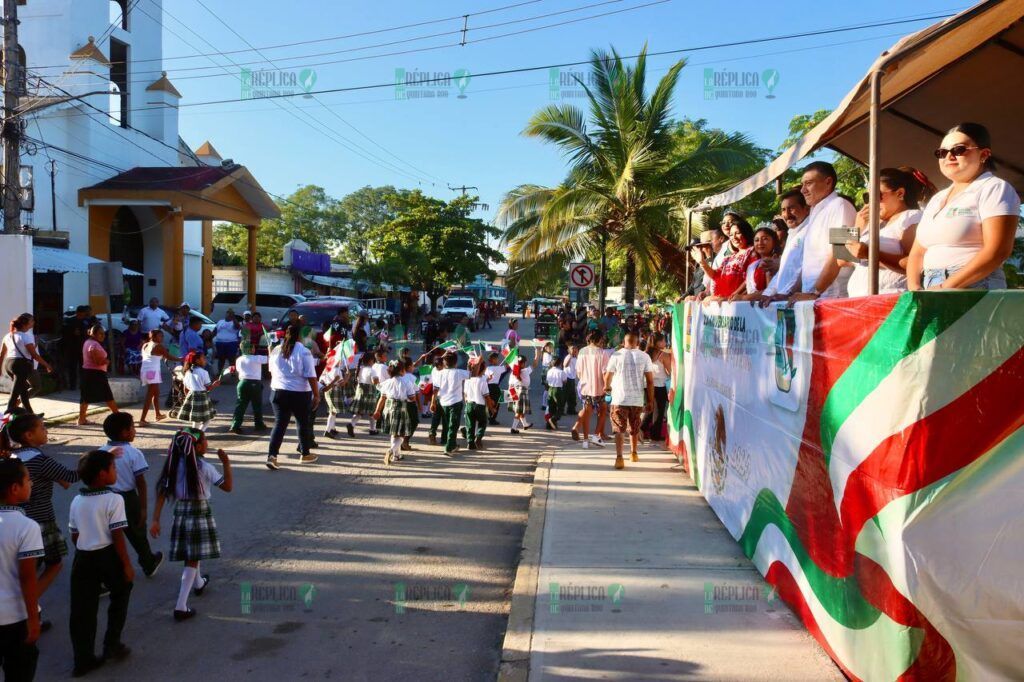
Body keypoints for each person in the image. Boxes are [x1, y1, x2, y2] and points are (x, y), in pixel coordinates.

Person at [907, 122, 1020, 290]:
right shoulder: (937, 198)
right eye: (942, 152)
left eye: (959, 150)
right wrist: (914, 287)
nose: (949, 156)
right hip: (931, 285)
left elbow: (997, 251)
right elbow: (917, 252)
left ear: (984, 154)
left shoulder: (994, 187)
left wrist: (946, 286)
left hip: (976, 285)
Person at [150, 429, 232, 621]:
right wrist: (226, 463)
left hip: (181, 512)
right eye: (204, 440)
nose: (207, 443)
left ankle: (199, 583)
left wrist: (155, 519)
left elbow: (162, 493)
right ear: (196, 447)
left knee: (192, 551)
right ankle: (181, 605)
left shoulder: (173, 466)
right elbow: (228, 487)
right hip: (199, 513)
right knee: (193, 557)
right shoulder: (205, 467)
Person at [2, 413, 73, 628]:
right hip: (41, 519)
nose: (46, 431)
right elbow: (69, 477)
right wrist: (95, 462)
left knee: (24, 569)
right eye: (42, 428)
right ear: (29, 435)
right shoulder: (39, 459)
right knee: (52, 564)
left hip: (17, 517)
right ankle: (27, 607)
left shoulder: (12, 458)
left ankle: (29, 608)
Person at [67, 449, 134, 675]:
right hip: (107, 555)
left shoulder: (77, 500)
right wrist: (126, 564)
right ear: (102, 475)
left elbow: (74, 535)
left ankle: (82, 659)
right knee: (121, 592)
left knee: (82, 609)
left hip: (83, 557)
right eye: (113, 468)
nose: (116, 471)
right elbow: (117, 535)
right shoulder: (114, 499)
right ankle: (111, 644)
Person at [845, 167, 930, 297]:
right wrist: (856, 228)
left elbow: (915, 264)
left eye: (877, 195)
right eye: (867, 196)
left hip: (890, 299)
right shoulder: (869, 222)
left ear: (900, 193)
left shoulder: (912, 217)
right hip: (860, 301)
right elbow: (840, 259)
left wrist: (870, 254)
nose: (871, 202)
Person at [99, 413, 163, 578]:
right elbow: (141, 483)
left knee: (107, 536)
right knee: (137, 533)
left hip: (105, 498)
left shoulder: (101, 452)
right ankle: (148, 563)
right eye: (133, 427)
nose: (135, 430)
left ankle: (108, 573)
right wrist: (143, 508)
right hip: (128, 499)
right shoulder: (133, 453)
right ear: (124, 433)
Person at [789, 161, 858, 302]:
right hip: (813, 298)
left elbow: (843, 254)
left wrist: (816, 292)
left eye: (808, 183)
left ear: (828, 182)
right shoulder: (815, 212)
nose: (803, 190)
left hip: (832, 297)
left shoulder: (841, 205)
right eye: (802, 184)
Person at [0, 458, 44, 681]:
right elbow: (28, 578)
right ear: (15, 488)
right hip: (14, 618)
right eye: (28, 480)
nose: (32, 484)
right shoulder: (26, 527)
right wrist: (33, 620)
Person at [266, 325, 320, 470]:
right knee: (302, 422)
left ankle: (272, 456)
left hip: (278, 391)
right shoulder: (304, 351)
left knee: (279, 424)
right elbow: (311, 375)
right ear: (300, 336)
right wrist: (316, 394)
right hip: (299, 393)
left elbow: (270, 370)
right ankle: (305, 454)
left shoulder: (276, 350)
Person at [603, 331, 655, 470]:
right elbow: (650, 381)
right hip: (637, 399)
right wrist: (650, 400)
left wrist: (607, 387)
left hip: (619, 398)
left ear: (624, 342)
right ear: (637, 343)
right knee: (634, 426)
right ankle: (633, 453)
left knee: (619, 429)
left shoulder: (617, 355)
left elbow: (608, 375)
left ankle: (619, 458)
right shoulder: (645, 356)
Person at [758, 189, 811, 306]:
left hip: (800, 300)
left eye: (791, 208)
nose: (787, 214)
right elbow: (783, 271)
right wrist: (767, 293)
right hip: (783, 300)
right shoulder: (792, 233)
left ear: (806, 209)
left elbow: (803, 269)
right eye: (783, 210)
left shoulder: (811, 230)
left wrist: (788, 293)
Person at [0, 314, 52, 414]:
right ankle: (7, 417)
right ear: (26, 324)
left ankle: (30, 415)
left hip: (9, 364)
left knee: (23, 393)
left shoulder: (8, 335)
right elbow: (34, 355)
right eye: (32, 321)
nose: (33, 322)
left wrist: (0, 368)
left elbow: (2, 354)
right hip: (21, 365)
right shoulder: (25, 337)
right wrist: (47, 365)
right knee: (15, 395)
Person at [694, 219, 759, 300]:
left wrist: (732, 296)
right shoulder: (730, 257)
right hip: (726, 302)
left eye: (738, 233)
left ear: (746, 232)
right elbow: (715, 275)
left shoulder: (752, 252)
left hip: (740, 302)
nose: (734, 237)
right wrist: (702, 262)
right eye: (731, 235)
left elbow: (750, 279)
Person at [371, 361, 415, 465]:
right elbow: (412, 397)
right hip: (401, 408)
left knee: (394, 433)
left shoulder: (387, 382)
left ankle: (396, 455)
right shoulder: (406, 382)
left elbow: (382, 398)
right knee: (402, 434)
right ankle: (391, 450)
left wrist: (377, 411)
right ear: (401, 370)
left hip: (388, 408)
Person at [573, 330, 610, 449]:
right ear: (599, 340)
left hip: (585, 387)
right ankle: (595, 436)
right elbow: (605, 372)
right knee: (603, 409)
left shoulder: (582, 351)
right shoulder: (602, 353)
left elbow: (578, 371)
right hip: (599, 387)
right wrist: (607, 385)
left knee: (586, 413)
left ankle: (585, 441)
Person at [78, 326, 118, 426]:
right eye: (100, 333)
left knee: (85, 397)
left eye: (104, 333)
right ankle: (118, 416)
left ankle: (81, 419)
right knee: (107, 395)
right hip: (96, 373)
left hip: (89, 372)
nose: (103, 335)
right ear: (93, 334)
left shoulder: (88, 342)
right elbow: (97, 361)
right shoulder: (94, 344)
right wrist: (106, 361)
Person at [172, 352, 221, 432]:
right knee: (208, 419)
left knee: (196, 420)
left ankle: (194, 434)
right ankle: (199, 434)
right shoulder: (204, 372)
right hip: (202, 397)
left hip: (191, 395)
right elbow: (208, 388)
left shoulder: (187, 372)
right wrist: (215, 385)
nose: (205, 360)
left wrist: (187, 397)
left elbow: (185, 388)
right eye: (203, 358)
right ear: (197, 361)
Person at [431, 353, 469, 456]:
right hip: (455, 403)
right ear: (456, 363)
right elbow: (472, 374)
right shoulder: (459, 372)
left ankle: (453, 444)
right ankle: (448, 448)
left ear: (444, 362)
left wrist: (433, 402)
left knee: (450, 425)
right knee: (453, 425)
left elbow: (435, 389)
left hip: (443, 403)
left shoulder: (439, 373)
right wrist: (476, 363)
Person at [227, 341, 268, 435]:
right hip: (254, 384)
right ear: (251, 349)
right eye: (253, 347)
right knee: (257, 405)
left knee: (240, 405)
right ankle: (259, 424)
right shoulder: (257, 358)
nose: (254, 349)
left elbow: (237, 370)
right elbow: (270, 359)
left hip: (242, 383)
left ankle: (235, 425)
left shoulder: (239, 359)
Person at [138, 330, 178, 426]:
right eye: (160, 336)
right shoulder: (158, 346)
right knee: (150, 395)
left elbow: (154, 356)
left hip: (145, 371)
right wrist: (182, 359)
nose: (162, 338)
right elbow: (169, 356)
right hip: (152, 372)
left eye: (162, 336)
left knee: (156, 393)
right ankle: (142, 420)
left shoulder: (145, 345)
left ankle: (158, 414)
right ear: (154, 337)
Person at [731, 228, 781, 301]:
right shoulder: (753, 266)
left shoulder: (775, 263)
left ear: (774, 242)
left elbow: (770, 292)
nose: (760, 243)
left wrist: (743, 298)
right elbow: (752, 290)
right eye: (756, 240)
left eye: (765, 239)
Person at [639, 333, 671, 444]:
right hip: (660, 386)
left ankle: (641, 430)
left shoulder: (644, 354)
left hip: (647, 385)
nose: (665, 343)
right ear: (657, 342)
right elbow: (670, 371)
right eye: (663, 341)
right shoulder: (663, 355)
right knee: (659, 411)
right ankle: (655, 435)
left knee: (649, 409)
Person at [462, 359, 491, 450]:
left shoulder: (467, 380)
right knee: (482, 422)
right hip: (480, 405)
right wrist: (491, 407)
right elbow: (486, 396)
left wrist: (466, 404)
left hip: (469, 404)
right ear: (481, 370)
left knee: (470, 424)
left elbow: (465, 394)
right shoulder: (482, 381)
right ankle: (478, 437)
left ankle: (470, 442)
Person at [508, 352, 538, 435]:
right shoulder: (524, 371)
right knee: (519, 411)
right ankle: (513, 428)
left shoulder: (514, 372)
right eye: (525, 362)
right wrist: (537, 354)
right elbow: (535, 365)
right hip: (522, 392)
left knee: (520, 410)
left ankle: (525, 424)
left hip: (514, 391)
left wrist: (512, 394)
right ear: (523, 363)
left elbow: (510, 384)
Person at [350, 353, 379, 437]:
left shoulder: (360, 368)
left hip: (360, 391)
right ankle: (372, 429)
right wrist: (378, 379)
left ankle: (351, 424)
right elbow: (374, 382)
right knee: (372, 412)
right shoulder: (372, 370)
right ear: (371, 361)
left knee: (360, 412)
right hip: (369, 393)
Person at [213, 310, 241, 377]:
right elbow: (215, 330)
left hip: (231, 343)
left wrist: (234, 318)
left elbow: (237, 327)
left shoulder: (234, 322)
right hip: (220, 342)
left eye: (232, 314)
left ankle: (232, 372)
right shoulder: (220, 321)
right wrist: (209, 338)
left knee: (231, 358)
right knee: (221, 359)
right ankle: (220, 373)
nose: (230, 315)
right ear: (226, 314)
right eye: (229, 313)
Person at [485, 353, 506, 426]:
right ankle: (492, 418)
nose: (498, 360)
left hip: (487, 386)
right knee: (496, 403)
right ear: (493, 360)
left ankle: (489, 416)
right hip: (494, 387)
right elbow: (507, 367)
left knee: (489, 402)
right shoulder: (498, 368)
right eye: (496, 359)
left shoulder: (487, 368)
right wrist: (508, 358)